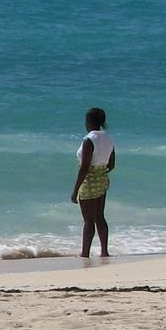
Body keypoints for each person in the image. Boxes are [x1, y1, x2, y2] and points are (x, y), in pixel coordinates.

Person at [70, 107, 116, 257]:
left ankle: (85, 254)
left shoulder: (88, 139)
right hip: (102, 179)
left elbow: (84, 168)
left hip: (89, 181)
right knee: (99, 216)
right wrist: (100, 172)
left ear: (88, 122)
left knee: (88, 221)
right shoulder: (108, 139)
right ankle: (104, 251)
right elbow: (111, 164)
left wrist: (75, 190)